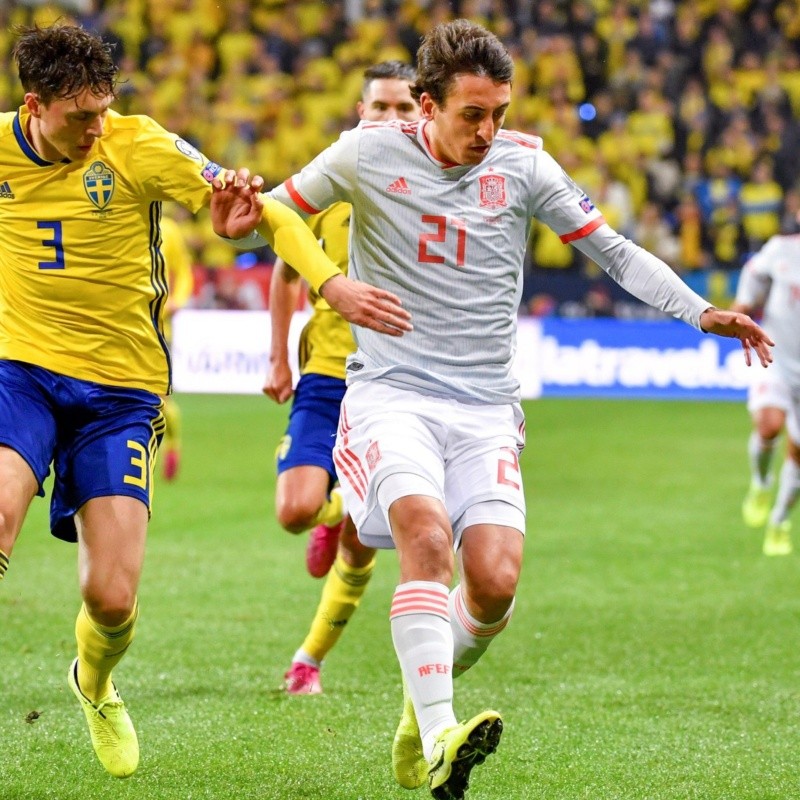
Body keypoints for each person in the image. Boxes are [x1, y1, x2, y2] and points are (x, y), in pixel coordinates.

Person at [211, 20, 772, 800]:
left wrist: (700, 311)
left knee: (496, 582)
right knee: (425, 534)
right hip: (392, 394)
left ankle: (419, 720)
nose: (488, 130)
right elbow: (274, 211)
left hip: (485, 406)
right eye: (472, 114)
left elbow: (612, 250)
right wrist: (324, 279)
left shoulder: (524, 163)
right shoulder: (368, 152)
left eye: (499, 112)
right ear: (426, 104)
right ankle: (444, 734)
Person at [0, 22, 409, 780]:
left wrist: (318, 274)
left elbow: (266, 211)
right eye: (81, 117)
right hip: (18, 371)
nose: (98, 128)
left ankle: (93, 681)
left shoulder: (139, 143)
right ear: (34, 106)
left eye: (105, 109)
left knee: (112, 599)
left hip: (121, 395)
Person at [263, 61, 421, 695]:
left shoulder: (438, 190)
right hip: (329, 375)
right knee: (296, 511)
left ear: (425, 113)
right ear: (361, 112)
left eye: (403, 108)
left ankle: (309, 660)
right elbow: (282, 270)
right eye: (379, 106)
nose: (389, 118)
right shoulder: (329, 186)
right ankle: (332, 507)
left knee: (363, 543)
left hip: (401, 382)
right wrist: (278, 356)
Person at [732, 222, 800, 556]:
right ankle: (761, 483)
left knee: (798, 457)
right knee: (769, 425)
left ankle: (779, 521)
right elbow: (753, 274)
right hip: (773, 355)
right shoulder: (781, 248)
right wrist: (742, 307)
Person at [160, 208, 195, 481]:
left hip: (159, 327)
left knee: (161, 399)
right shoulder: (116, 217)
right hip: (120, 327)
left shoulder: (169, 230)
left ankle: (172, 445)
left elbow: (183, 272)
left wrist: (177, 301)